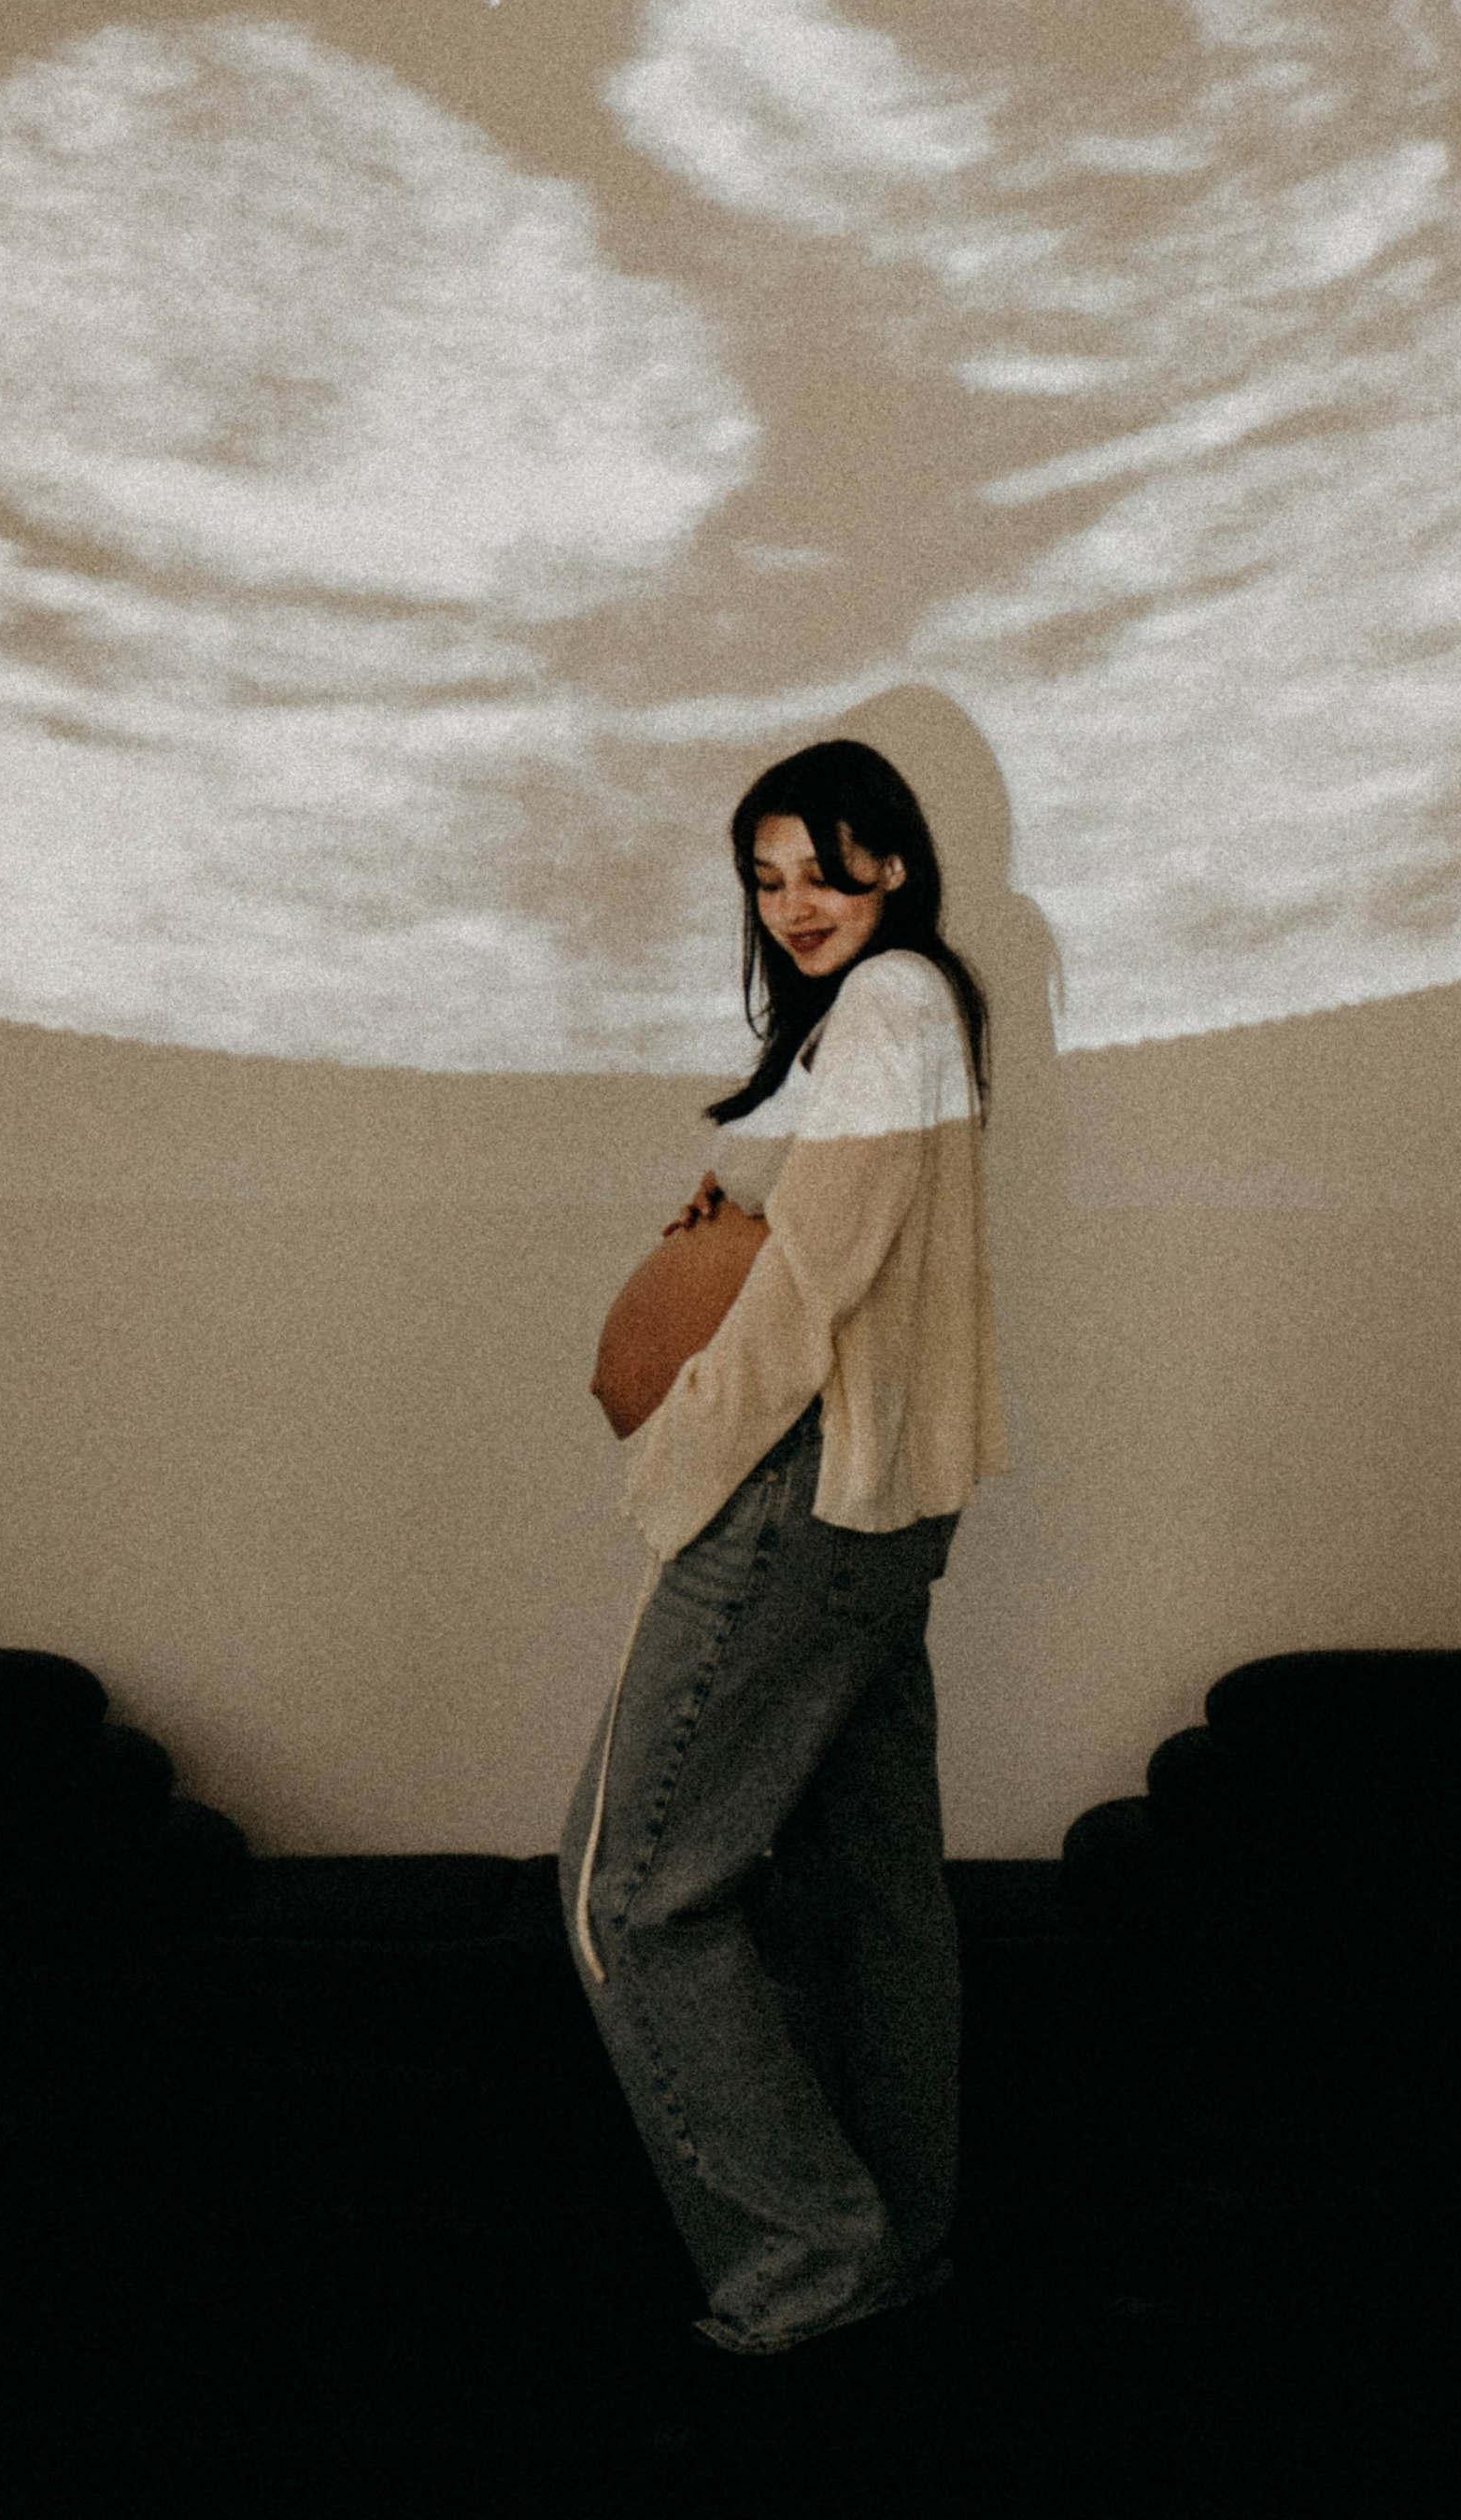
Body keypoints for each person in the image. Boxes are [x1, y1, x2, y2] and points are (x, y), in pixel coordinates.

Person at [559, 736, 1006, 2443]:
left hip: (795, 1496)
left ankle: (812, 2264)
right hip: (875, 1508)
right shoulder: (892, 1014)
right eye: (765, 875)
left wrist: (671, 1459)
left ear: (891, 862)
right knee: (863, 1886)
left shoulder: (890, 1002)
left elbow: (813, 1281)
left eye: (821, 863)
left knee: (634, 1895)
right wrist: (726, 1195)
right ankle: (893, 2242)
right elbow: (813, 1229)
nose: (793, 901)